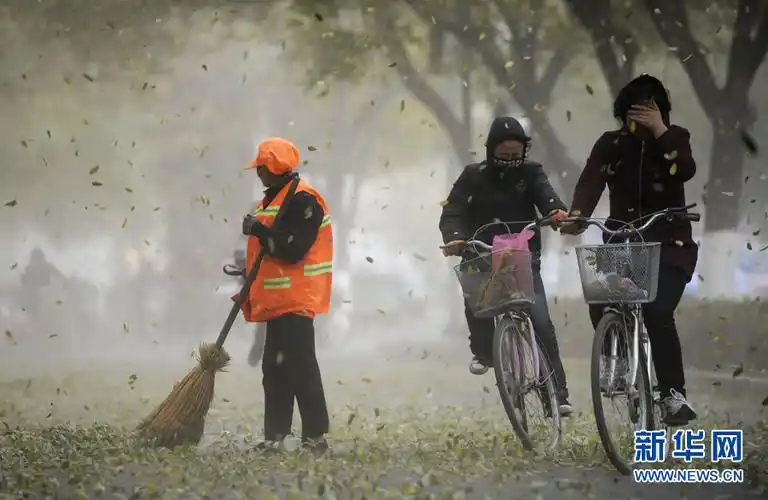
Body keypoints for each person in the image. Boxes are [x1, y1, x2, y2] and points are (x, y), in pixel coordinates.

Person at [559, 74, 698, 426]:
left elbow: (683, 169)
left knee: (657, 311)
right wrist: (577, 217)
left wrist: (659, 130)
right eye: (633, 114)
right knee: (601, 298)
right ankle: (616, 364)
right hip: (623, 247)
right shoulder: (610, 145)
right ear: (621, 114)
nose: (638, 122)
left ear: (661, 112)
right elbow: (591, 180)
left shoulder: (674, 139)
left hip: (671, 247)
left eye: (648, 112)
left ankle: (672, 395)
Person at [440, 116, 573, 416]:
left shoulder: (531, 172)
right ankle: (484, 352)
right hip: (480, 253)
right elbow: (452, 211)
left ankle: (558, 394)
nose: (511, 161)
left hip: (520, 257)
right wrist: (456, 238)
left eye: (517, 155)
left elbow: (546, 196)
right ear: (491, 151)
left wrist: (555, 210)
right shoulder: (472, 176)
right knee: (476, 298)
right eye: (504, 155)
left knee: (539, 320)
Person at [237, 137, 333, 452]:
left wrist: (257, 230)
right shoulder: (276, 199)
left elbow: (291, 249)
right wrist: (246, 286)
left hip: (297, 299)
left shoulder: (304, 201)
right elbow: (266, 256)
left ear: (276, 168)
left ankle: (316, 437)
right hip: (278, 303)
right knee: (274, 370)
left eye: (263, 168)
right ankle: (274, 438)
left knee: (301, 366)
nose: (259, 174)